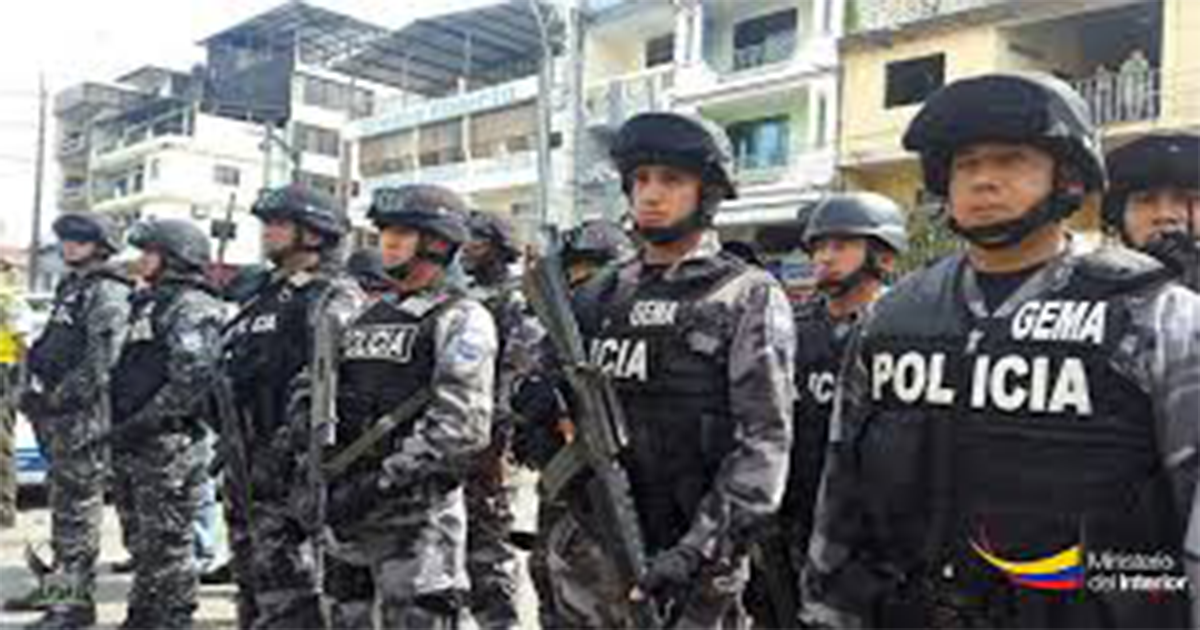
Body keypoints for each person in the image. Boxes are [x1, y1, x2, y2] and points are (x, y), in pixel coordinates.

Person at [803, 72, 1200, 628]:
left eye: (1011, 160)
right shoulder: (890, 318)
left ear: (1067, 177)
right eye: (966, 164)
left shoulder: (1156, 315)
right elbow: (842, 486)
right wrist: (826, 610)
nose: (983, 180)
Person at [534, 111, 796, 627]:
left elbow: (763, 447)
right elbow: (550, 390)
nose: (650, 194)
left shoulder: (743, 295)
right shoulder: (598, 294)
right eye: (640, 179)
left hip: (691, 567)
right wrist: (537, 404)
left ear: (708, 194)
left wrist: (696, 552)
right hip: (591, 550)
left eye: (671, 180)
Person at [321, 184, 497, 629]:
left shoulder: (460, 317)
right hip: (349, 514)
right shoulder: (365, 315)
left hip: (416, 520)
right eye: (385, 232)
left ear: (437, 243)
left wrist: (378, 482)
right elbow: (322, 389)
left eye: (402, 233)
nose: (388, 242)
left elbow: (460, 429)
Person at [744, 192, 908, 629]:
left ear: (883, 255)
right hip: (789, 526)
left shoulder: (904, 332)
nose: (824, 258)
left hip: (870, 539)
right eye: (818, 247)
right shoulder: (789, 332)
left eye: (841, 245)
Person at [220, 184, 363, 629]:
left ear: (314, 233)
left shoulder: (332, 296)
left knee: (292, 594)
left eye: (279, 224)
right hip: (246, 463)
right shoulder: (260, 296)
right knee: (252, 585)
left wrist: (292, 455)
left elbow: (335, 387)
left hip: (292, 469)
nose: (267, 232)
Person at [510, 218, 634, 629]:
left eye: (593, 276)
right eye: (575, 277)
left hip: (611, 495)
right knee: (550, 589)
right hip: (562, 491)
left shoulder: (627, 332)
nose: (583, 288)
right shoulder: (557, 336)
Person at [9, 212, 132, 628]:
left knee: (76, 516)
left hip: (83, 418)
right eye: (66, 239)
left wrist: (56, 400)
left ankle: (72, 607)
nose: (69, 246)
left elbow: (101, 363)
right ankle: (59, 592)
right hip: (59, 415)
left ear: (101, 245)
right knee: (64, 511)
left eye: (80, 240)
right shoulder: (71, 288)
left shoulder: (108, 291)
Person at [108, 218, 225, 629]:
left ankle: (173, 616)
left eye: (150, 253)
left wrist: (144, 421)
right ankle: (144, 614)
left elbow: (192, 379)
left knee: (169, 542)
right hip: (135, 439)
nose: (141, 260)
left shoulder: (192, 305)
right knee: (143, 541)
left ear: (175, 258)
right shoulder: (150, 301)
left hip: (168, 443)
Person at [460, 209, 541, 630]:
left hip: (492, 445)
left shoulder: (515, 301)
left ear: (498, 247)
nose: (465, 248)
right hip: (459, 438)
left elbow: (515, 376)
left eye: (475, 239)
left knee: (490, 553)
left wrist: (497, 446)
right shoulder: (463, 298)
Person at [1101, 133, 1200, 290]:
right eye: (1145, 200)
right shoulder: (1088, 291)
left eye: (1182, 199)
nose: (1165, 214)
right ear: (1117, 214)